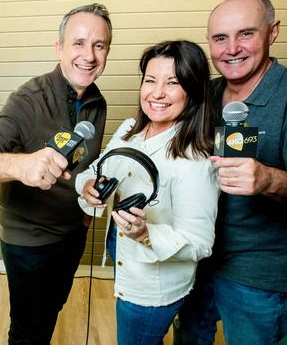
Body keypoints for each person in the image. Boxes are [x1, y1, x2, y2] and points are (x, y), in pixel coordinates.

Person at [176, 0, 287, 344]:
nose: (232, 48)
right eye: (220, 38)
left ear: (273, 32)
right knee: (191, 336)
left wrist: (268, 179)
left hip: (258, 273)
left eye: (246, 34)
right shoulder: (205, 94)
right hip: (198, 254)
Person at [0, 3, 112, 344]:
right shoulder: (28, 100)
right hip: (28, 242)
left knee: (52, 308)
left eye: (99, 45)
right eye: (79, 43)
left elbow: (84, 165)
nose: (89, 55)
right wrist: (21, 165)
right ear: (59, 47)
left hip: (72, 234)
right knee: (28, 329)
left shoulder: (97, 102)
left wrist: (86, 211)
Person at [76, 40, 220, 345]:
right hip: (121, 254)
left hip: (152, 287)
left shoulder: (195, 160)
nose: (157, 93)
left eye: (173, 83)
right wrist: (88, 186)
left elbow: (200, 243)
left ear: (193, 91)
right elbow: (97, 172)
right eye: (150, 80)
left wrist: (145, 234)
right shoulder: (129, 130)